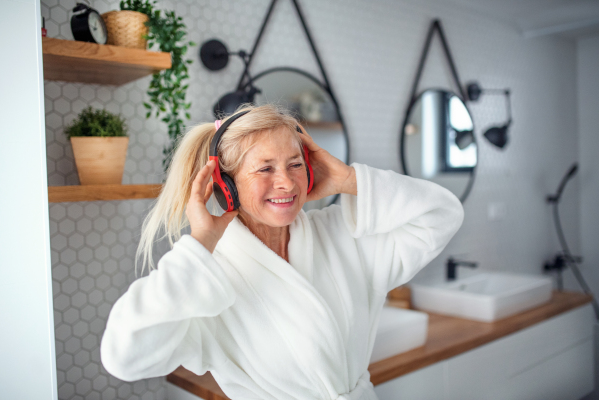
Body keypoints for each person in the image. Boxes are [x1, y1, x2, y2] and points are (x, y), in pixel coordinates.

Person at [100, 103, 464, 399]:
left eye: (295, 164)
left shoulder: (343, 235)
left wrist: (349, 180)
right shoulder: (207, 277)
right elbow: (123, 356)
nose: (287, 182)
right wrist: (200, 244)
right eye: (264, 169)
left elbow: (443, 213)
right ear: (226, 186)